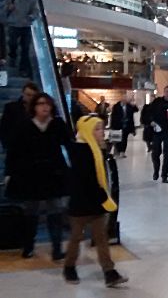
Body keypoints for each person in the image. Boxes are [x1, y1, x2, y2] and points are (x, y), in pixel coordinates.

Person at [63, 116, 128, 287]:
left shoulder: (96, 149)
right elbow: (87, 180)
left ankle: (109, 272)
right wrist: (105, 199)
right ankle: (69, 266)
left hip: (96, 204)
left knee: (101, 239)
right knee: (76, 238)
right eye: (97, 129)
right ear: (87, 131)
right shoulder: (79, 151)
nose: (101, 132)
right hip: (81, 205)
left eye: (102, 128)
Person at [5, 92, 70, 260]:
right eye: (41, 103)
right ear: (34, 107)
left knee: (55, 211)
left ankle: (57, 248)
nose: (45, 107)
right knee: (31, 213)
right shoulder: (25, 126)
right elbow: (14, 152)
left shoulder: (57, 125)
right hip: (31, 176)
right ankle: (28, 246)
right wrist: (9, 173)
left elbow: (69, 144)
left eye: (47, 104)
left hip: (53, 175)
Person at [142, 85, 168, 183]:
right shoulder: (157, 102)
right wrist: (151, 121)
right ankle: (156, 171)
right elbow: (148, 113)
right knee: (155, 153)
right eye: (166, 91)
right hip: (157, 132)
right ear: (164, 92)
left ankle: (164, 175)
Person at [3, 0, 38, 78]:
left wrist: (30, 17)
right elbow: (3, 9)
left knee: (25, 48)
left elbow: (36, 11)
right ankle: (12, 56)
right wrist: (8, 8)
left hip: (25, 26)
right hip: (13, 24)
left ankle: (23, 68)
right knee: (12, 43)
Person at [109, 94, 138, 158]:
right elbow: (113, 117)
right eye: (124, 99)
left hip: (126, 126)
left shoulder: (129, 106)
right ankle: (118, 151)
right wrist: (112, 126)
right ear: (121, 99)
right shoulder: (116, 106)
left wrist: (133, 104)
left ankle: (122, 152)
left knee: (124, 139)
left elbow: (136, 110)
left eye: (126, 100)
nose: (125, 101)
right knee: (118, 139)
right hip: (118, 125)